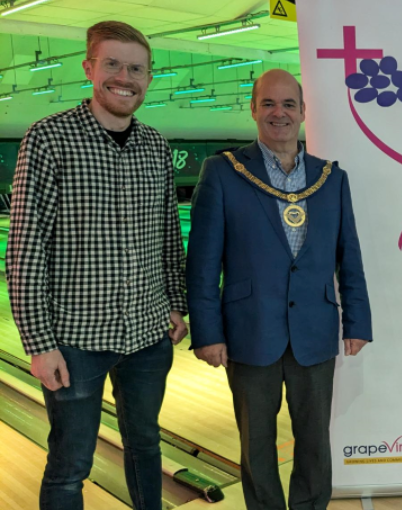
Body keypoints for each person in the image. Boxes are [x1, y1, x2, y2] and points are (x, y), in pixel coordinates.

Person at [7, 21, 188, 510]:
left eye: (135, 68)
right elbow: (25, 248)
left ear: (148, 77)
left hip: (148, 336)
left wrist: (176, 302)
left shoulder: (155, 146)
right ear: (89, 68)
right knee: (70, 465)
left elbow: (169, 236)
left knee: (146, 446)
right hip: (75, 339)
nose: (124, 77)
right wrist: (39, 344)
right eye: (112, 64)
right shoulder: (48, 138)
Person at [186, 68, 372, 510]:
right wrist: (208, 332)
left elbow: (351, 256)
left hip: (315, 330)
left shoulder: (330, 178)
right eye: (268, 103)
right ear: (253, 109)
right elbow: (203, 264)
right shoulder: (223, 172)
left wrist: (358, 321)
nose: (279, 113)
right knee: (256, 443)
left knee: (314, 440)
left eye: (289, 104)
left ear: (304, 112)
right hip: (250, 331)